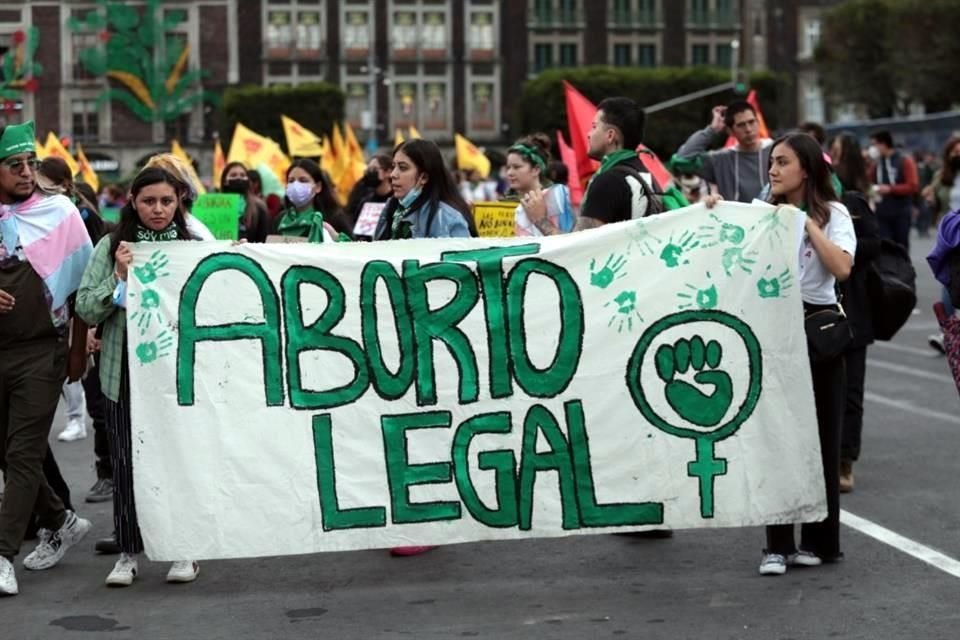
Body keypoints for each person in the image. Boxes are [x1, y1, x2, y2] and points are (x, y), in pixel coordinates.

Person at [77, 166, 200, 587]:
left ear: (179, 201)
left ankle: (184, 549)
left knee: (178, 461)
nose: (159, 209)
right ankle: (129, 551)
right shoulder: (112, 246)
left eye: (167, 201)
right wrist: (119, 279)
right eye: (149, 201)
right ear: (132, 200)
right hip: (123, 374)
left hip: (175, 377)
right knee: (127, 463)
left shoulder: (193, 248)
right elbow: (86, 308)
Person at [749, 133, 855, 575]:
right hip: (773, 327)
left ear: (806, 169)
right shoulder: (757, 213)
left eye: (782, 162)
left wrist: (806, 224)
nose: (772, 170)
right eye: (771, 162)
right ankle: (776, 545)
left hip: (819, 328)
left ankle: (819, 539)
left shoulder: (836, 214)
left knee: (822, 437)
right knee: (776, 438)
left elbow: (843, 267)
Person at [0, 121, 94, 596]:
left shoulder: (60, 212)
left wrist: (78, 350)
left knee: (20, 453)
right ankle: (60, 518)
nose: (25, 172)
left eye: (30, 164)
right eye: (14, 165)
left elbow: (84, 289)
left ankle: (2, 555)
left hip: (43, 350)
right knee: (6, 452)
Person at [829, 133, 881, 493]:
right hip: (811, 315)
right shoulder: (796, 208)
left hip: (852, 310)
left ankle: (845, 460)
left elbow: (873, 246)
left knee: (851, 391)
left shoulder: (852, 202)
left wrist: (840, 249)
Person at [374, 139, 476, 241]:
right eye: (393, 167)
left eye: (403, 167)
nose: (393, 174)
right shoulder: (392, 207)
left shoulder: (444, 216)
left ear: (424, 177)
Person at [673, 100, 772, 202]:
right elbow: (682, 159)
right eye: (741, 125)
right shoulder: (721, 159)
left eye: (751, 122)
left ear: (758, 122)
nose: (748, 129)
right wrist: (712, 129)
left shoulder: (775, 151)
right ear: (730, 131)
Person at [505, 132, 575, 236]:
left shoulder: (556, 195)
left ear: (536, 169)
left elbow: (570, 241)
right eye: (508, 167)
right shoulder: (519, 210)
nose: (509, 173)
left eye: (516, 167)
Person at [143, 153, 215, 241]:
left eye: (166, 200)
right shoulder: (133, 232)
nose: (157, 209)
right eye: (149, 200)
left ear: (183, 191)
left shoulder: (198, 238)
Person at [868, 130, 919, 250]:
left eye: (874, 144)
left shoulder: (904, 160)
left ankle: (903, 268)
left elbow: (912, 186)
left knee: (901, 246)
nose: (872, 148)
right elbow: (868, 182)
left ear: (883, 144)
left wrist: (890, 189)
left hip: (901, 211)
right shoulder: (876, 164)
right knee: (885, 246)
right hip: (881, 212)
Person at [272, 158, 342, 242]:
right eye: (291, 181)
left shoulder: (333, 218)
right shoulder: (280, 219)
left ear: (318, 186)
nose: (295, 185)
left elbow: (350, 249)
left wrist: (336, 237)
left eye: (303, 180)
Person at [344, 154, 393, 238]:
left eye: (374, 169)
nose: (370, 172)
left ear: (388, 172)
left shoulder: (395, 201)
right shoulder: (365, 201)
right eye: (368, 169)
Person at [219, 161, 270, 242]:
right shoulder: (214, 205)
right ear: (225, 181)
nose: (239, 178)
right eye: (233, 175)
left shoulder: (259, 207)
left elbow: (263, 239)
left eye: (242, 175)